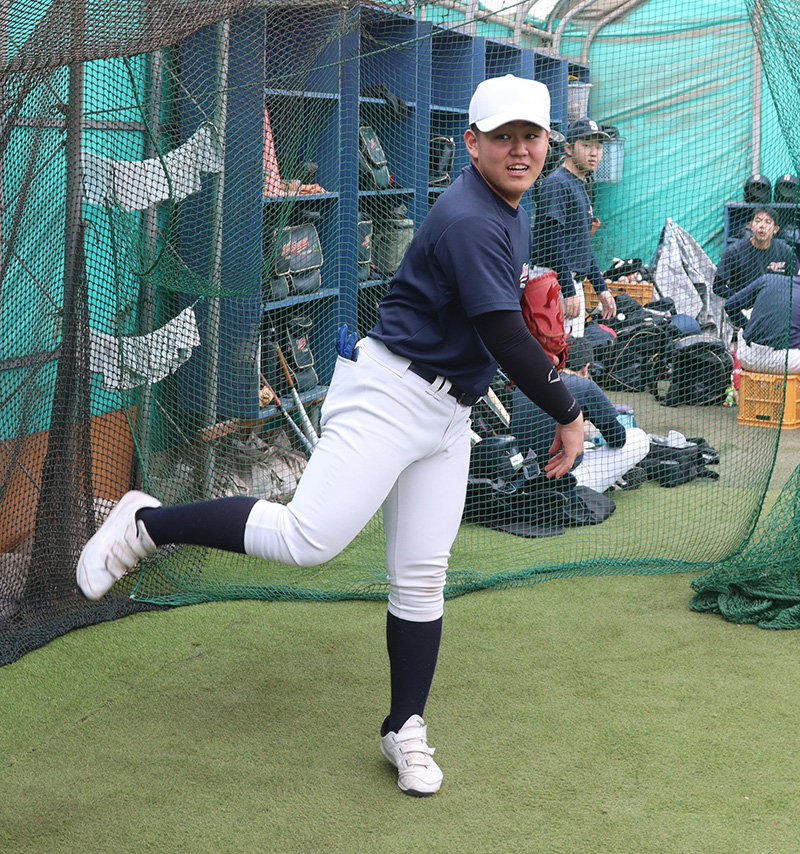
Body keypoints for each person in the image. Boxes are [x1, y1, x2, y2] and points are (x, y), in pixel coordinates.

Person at [76, 74, 584, 798]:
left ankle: (403, 726)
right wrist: (568, 412)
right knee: (307, 539)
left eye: (531, 135)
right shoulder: (472, 214)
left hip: (446, 413)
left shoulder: (510, 206)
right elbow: (504, 335)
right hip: (390, 397)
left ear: (546, 144)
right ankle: (147, 522)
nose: (519, 149)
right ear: (471, 144)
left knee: (420, 577)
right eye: (502, 136)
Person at [510, 337, 649, 494]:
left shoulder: (523, 385)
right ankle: (614, 479)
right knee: (638, 437)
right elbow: (618, 439)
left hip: (524, 479)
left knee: (579, 447)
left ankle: (613, 480)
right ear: (586, 368)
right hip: (566, 482)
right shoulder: (585, 385)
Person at [530, 118, 616, 338]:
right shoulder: (557, 183)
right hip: (553, 283)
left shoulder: (580, 183)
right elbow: (552, 239)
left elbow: (583, 246)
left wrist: (601, 287)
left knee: (572, 355)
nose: (594, 153)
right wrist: (568, 290)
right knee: (556, 356)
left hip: (568, 282)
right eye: (586, 145)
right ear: (568, 148)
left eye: (598, 146)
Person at [725, 269, 800, 374]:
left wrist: (747, 327)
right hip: (787, 363)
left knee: (749, 313)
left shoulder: (768, 278)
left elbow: (730, 305)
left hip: (748, 358)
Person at [712, 206, 794, 301]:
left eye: (768, 222)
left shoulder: (786, 251)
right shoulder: (734, 251)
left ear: (775, 229)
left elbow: (795, 282)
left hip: (773, 306)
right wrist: (740, 300)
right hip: (743, 308)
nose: (762, 226)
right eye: (758, 221)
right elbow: (717, 286)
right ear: (751, 226)